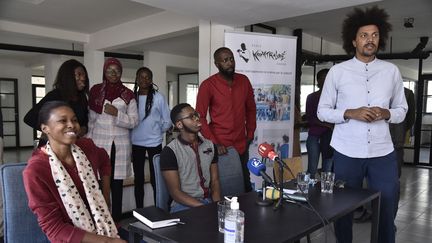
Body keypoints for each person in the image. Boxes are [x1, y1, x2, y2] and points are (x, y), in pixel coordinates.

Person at [317, 6, 407, 243]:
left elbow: (402, 110)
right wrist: (350, 112)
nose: (370, 40)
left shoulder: (391, 72)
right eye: (364, 35)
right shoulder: (338, 72)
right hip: (347, 150)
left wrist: (386, 112)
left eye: (375, 35)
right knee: (342, 208)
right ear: (354, 40)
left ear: (381, 38)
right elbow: (322, 111)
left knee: (387, 205)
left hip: (382, 151)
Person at [23, 101, 125, 243]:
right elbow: (54, 228)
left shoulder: (86, 146)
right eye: (62, 121)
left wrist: (106, 196)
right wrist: (108, 241)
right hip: (72, 238)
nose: (71, 125)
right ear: (45, 128)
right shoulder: (35, 170)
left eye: (74, 120)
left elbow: (104, 160)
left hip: (105, 227)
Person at [196, 47, 256, 195]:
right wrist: (214, 142)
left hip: (241, 143)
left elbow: (251, 109)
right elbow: (200, 117)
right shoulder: (208, 85)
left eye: (231, 59)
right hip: (220, 145)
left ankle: (246, 215)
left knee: (245, 183)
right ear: (217, 64)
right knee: (222, 186)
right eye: (225, 60)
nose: (230, 63)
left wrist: (250, 133)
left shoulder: (244, 81)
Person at [87, 58, 139, 222]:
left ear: (121, 72)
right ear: (104, 72)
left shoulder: (127, 94)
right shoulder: (95, 91)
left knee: (116, 183)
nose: (113, 73)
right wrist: (88, 142)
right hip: (99, 143)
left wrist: (117, 114)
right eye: (109, 70)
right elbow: (91, 120)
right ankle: (101, 219)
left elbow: (134, 121)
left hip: (120, 144)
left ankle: (116, 219)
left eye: (117, 70)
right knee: (100, 181)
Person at [160, 103, 221, 213]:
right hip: (182, 205)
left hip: (208, 201)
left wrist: (217, 206)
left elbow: (215, 181)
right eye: (191, 116)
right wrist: (203, 207)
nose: (197, 119)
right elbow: (175, 193)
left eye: (196, 115)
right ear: (179, 124)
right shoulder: (170, 152)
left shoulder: (210, 146)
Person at [131, 67, 171, 208]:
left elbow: (167, 120)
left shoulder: (158, 97)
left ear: (151, 80)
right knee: (138, 179)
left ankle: (159, 208)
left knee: (156, 179)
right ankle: (140, 211)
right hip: (136, 143)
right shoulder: (132, 98)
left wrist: (157, 131)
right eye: (141, 77)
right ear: (136, 79)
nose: (144, 80)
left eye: (148, 77)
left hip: (154, 143)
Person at [24, 59, 90, 141]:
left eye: (84, 75)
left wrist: (84, 128)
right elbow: (29, 118)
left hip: (73, 144)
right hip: (53, 147)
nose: (83, 78)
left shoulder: (82, 97)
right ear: (68, 77)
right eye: (79, 75)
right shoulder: (55, 96)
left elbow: (85, 120)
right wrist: (51, 131)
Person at [306, 68, 333, 178]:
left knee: (327, 171)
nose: (325, 80)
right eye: (323, 78)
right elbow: (310, 118)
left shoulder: (335, 97)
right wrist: (327, 125)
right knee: (312, 169)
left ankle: (325, 193)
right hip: (315, 137)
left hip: (330, 137)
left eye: (328, 78)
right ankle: (308, 193)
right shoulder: (312, 97)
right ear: (318, 81)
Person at [390, 87, 415, 178]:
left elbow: (411, 118)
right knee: (394, 171)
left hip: (396, 138)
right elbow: (411, 119)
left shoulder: (407, 93)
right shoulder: (407, 92)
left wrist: (401, 129)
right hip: (397, 137)